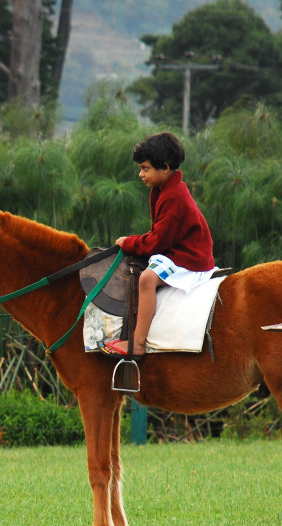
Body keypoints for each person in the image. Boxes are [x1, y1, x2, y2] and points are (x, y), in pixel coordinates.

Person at [102, 131, 215, 357]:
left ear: (164, 168)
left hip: (188, 257)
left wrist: (128, 242)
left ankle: (138, 342)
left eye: (145, 168)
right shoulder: (163, 190)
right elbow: (160, 234)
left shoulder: (174, 196)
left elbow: (156, 241)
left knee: (147, 279)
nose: (140, 174)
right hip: (175, 249)